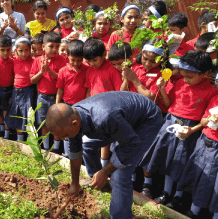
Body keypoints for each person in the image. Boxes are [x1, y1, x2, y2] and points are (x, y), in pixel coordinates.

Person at [46, 91, 162, 219]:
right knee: (88, 146)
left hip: (145, 121)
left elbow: (131, 144)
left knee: (119, 176)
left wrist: (106, 171)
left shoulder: (103, 118)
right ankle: (100, 182)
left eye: (64, 135)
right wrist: (75, 183)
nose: (63, 139)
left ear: (74, 124)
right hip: (120, 119)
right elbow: (75, 151)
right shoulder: (73, 116)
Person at [140, 50, 218, 206]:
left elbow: (206, 120)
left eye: (190, 76)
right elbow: (169, 104)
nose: (186, 79)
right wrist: (162, 88)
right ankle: (159, 190)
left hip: (189, 130)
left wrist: (191, 130)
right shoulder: (180, 82)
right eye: (184, 75)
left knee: (180, 163)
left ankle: (176, 196)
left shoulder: (211, 92)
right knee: (166, 158)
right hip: (170, 123)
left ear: (205, 73)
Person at [172, 95, 218, 218]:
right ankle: (192, 211)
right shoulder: (216, 99)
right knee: (198, 176)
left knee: (215, 186)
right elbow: (203, 121)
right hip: (205, 142)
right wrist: (210, 118)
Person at [83, 37, 123, 176]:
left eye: (95, 60)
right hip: (94, 110)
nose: (92, 64)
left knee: (107, 142)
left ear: (104, 55)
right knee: (92, 141)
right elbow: (89, 89)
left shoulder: (112, 69)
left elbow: (119, 92)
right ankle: (96, 170)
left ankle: (104, 168)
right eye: (89, 61)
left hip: (109, 111)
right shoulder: (90, 70)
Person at [30, 32, 67, 151]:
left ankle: (56, 149)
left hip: (56, 97)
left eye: (57, 46)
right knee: (43, 124)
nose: (54, 49)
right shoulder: (37, 60)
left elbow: (62, 79)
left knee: (56, 124)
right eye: (51, 46)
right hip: (42, 98)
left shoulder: (62, 60)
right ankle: (45, 148)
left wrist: (49, 71)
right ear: (43, 47)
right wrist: (41, 71)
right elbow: (32, 80)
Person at [56, 40, 87, 153]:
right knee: (67, 131)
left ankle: (79, 154)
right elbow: (60, 90)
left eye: (79, 60)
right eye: (73, 60)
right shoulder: (63, 71)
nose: (76, 63)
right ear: (67, 56)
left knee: (79, 131)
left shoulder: (86, 70)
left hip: (80, 106)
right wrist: (57, 105)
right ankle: (67, 154)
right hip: (67, 105)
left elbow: (88, 88)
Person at [5, 37, 35, 142]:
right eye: (20, 51)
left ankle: (30, 140)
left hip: (27, 91)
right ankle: (19, 140)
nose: (23, 53)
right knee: (17, 114)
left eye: (26, 50)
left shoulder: (33, 61)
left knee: (27, 115)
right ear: (16, 51)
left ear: (30, 49)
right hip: (16, 91)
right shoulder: (14, 62)